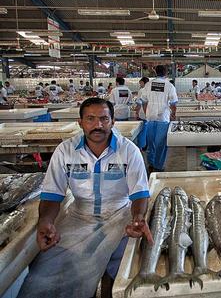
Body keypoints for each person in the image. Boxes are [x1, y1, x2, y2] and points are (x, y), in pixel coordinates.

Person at [17, 98, 150, 298]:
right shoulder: (65, 151)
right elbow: (53, 194)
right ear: (80, 122)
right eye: (90, 119)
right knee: (44, 274)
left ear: (113, 122)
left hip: (121, 217)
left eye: (104, 119)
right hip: (78, 218)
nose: (98, 125)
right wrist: (45, 221)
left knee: (129, 274)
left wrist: (138, 217)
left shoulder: (129, 151)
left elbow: (139, 193)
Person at [140, 65, 178, 172]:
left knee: (150, 142)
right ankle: (158, 165)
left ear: (155, 72)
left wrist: (146, 112)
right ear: (166, 73)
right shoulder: (169, 86)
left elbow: (143, 101)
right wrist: (173, 114)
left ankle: (151, 163)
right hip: (163, 118)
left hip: (150, 117)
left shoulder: (148, 85)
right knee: (161, 143)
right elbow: (173, 103)